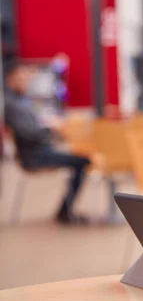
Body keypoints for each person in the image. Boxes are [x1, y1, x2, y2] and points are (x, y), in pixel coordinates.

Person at [3, 61, 91, 225]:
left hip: (40, 151)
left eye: (27, 77)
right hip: (35, 156)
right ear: (11, 79)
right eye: (21, 77)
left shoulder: (21, 101)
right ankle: (65, 211)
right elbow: (29, 134)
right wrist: (51, 128)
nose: (26, 81)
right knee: (82, 161)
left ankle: (65, 210)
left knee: (80, 158)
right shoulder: (13, 104)